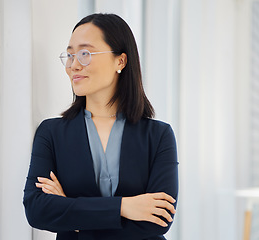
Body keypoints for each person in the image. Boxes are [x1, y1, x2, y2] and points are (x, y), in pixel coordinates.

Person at [23, 13, 179, 240]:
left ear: (120, 61)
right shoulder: (51, 133)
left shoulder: (158, 136)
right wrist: (124, 207)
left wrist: (71, 214)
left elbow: (159, 219)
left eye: (85, 53)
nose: (73, 65)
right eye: (70, 55)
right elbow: (37, 210)